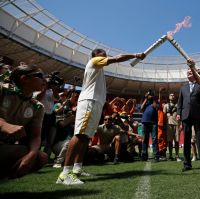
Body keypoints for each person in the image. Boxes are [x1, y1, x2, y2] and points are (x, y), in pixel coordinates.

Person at [56, 49, 145, 185]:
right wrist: (135, 55)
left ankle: (77, 170)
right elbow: (116, 58)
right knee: (80, 135)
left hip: (96, 103)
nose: (105, 57)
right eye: (103, 55)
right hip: (89, 102)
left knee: (86, 138)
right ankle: (65, 173)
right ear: (96, 56)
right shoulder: (94, 61)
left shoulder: (99, 69)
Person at [0, 64, 48, 179]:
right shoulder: (2, 90)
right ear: (24, 79)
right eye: (39, 76)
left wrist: (31, 155)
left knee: (41, 157)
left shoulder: (37, 107)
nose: (44, 80)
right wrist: (3, 125)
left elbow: (35, 136)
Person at [177, 69, 200, 173]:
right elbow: (180, 102)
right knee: (186, 141)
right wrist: (178, 113)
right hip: (185, 115)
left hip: (198, 114)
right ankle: (187, 164)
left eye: (190, 71)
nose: (188, 72)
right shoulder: (183, 88)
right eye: (187, 72)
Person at [140, 90, 160, 162]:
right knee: (145, 139)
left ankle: (156, 156)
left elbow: (156, 107)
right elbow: (141, 108)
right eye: (149, 95)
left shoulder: (155, 101)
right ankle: (144, 156)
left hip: (153, 123)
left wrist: (153, 98)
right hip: (145, 122)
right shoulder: (145, 102)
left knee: (154, 139)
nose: (149, 96)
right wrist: (145, 98)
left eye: (150, 95)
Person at [163, 93, 181, 162]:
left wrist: (181, 124)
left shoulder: (178, 105)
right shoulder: (166, 105)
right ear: (169, 97)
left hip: (177, 124)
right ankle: (170, 155)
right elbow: (164, 116)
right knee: (169, 141)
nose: (172, 96)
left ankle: (177, 156)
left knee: (177, 141)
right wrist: (164, 125)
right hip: (169, 125)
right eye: (171, 95)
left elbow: (180, 115)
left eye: (173, 95)